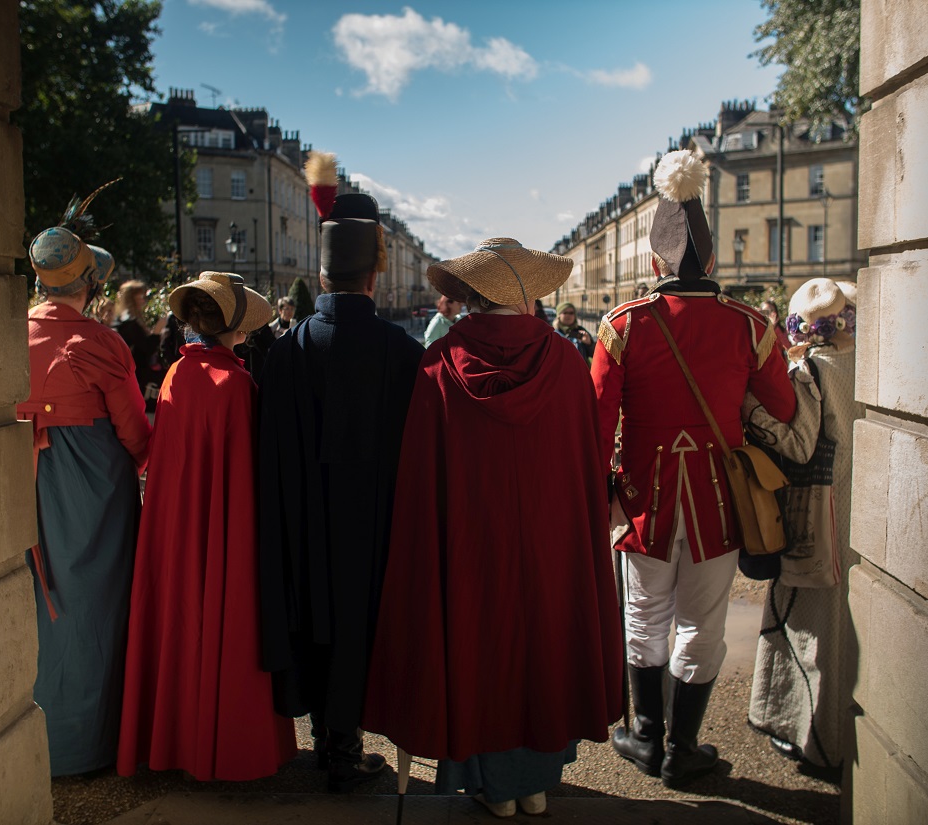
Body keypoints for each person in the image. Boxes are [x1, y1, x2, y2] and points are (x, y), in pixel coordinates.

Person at [361, 239, 623, 818]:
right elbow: (586, 468)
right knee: (543, 645)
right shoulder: (566, 363)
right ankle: (533, 785)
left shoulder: (437, 364)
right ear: (529, 295)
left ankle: (491, 785)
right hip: (550, 545)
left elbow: (422, 479)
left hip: (469, 548)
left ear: (472, 296)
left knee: (478, 646)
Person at [591, 150, 796, 788]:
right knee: (700, 622)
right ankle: (684, 747)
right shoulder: (749, 325)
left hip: (644, 501)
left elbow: (597, 426)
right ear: (711, 261)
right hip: (717, 502)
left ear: (654, 260)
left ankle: (644, 736)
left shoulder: (622, 326)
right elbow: (784, 406)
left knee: (644, 614)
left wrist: (604, 495)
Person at [258, 152, 426, 793]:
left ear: (321, 276)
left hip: (303, 519)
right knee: (360, 625)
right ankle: (346, 747)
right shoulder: (404, 355)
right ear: (373, 278)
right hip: (376, 523)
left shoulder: (287, 349)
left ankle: (331, 742)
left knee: (315, 620)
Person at [117, 271, 296, 781]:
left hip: (176, 526)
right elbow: (246, 475)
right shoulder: (238, 384)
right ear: (237, 326)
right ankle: (223, 744)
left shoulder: (176, 373)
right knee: (226, 618)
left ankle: (173, 738)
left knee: (177, 617)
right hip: (225, 528)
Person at [17, 187, 152, 777]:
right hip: (90, 485)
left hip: (24, 479)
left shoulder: (10, 333)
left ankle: (40, 740)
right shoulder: (98, 343)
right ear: (90, 285)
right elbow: (134, 433)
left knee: (41, 608)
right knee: (97, 603)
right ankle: (91, 746)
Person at [744, 277, 862, 775]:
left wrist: (750, 411)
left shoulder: (809, 369)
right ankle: (831, 734)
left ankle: (810, 737)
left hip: (816, 510)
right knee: (841, 625)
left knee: (808, 624)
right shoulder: (866, 363)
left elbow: (798, 445)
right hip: (857, 505)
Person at [112, 280, 167, 412]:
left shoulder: (125, 320)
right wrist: (157, 331)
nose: (144, 300)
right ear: (132, 298)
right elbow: (146, 349)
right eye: (141, 296)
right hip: (137, 379)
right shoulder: (130, 324)